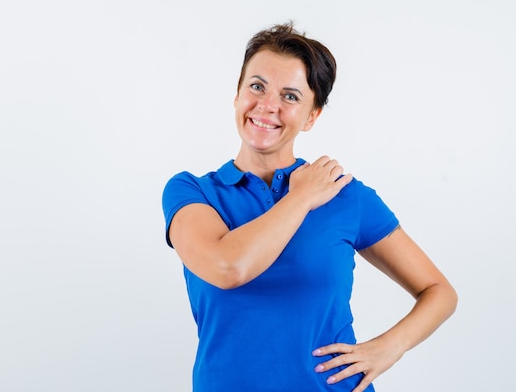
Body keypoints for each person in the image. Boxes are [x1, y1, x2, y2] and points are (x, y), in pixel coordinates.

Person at [161, 23, 457, 392]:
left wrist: (387, 349)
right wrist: (301, 196)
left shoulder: (346, 196)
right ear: (236, 95)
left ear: (312, 116)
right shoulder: (193, 192)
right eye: (257, 86)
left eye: (290, 96)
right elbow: (228, 267)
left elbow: (439, 291)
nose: (268, 105)